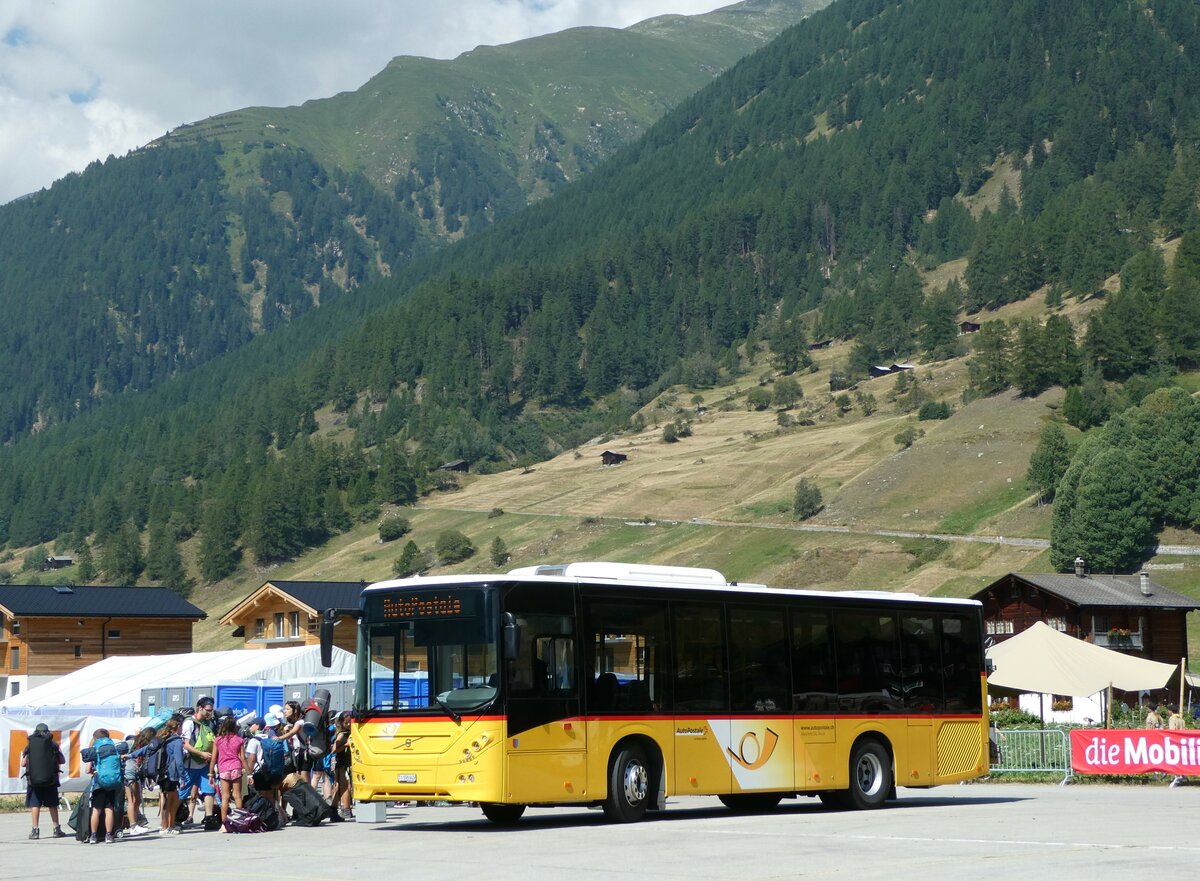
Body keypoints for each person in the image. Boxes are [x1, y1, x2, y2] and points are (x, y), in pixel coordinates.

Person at [21, 722, 66, 840]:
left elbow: (23, 763)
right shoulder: (53, 744)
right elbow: (62, 760)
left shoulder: (30, 745)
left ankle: (35, 831)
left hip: (34, 781)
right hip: (50, 781)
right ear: (47, 732)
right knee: (52, 805)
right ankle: (56, 829)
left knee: (35, 805)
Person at [208, 714, 251, 831]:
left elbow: (213, 758)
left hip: (223, 769)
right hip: (236, 767)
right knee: (237, 796)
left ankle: (224, 824)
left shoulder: (218, 740)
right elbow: (243, 758)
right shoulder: (239, 740)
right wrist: (249, 773)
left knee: (225, 797)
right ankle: (239, 821)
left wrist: (211, 773)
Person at [84, 728, 125, 844]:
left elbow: (87, 770)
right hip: (112, 782)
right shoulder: (114, 748)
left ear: (96, 738)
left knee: (96, 810)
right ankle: (109, 835)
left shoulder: (95, 750)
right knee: (109, 809)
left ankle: (93, 836)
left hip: (99, 783)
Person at [181, 696, 217, 825]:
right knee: (183, 793)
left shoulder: (208, 724)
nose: (209, 713)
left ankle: (209, 818)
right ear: (200, 708)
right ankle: (172, 818)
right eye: (207, 710)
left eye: (211, 710)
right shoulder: (189, 723)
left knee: (209, 790)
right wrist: (201, 753)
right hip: (190, 764)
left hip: (204, 764)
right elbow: (185, 744)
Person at [122, 729, 154, 836]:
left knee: (137, 799)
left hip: (136, 773)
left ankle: (135, 823)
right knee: (131, 800)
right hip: (128, 774)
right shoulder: (130, 743)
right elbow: (120, 754)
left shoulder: (142, 746)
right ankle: (133, 826)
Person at [330, 711, 353, 819]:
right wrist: (346, 745)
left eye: (350, 722)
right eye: (346, 723)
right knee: (343, 787)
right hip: (341, 763)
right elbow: (334, 750)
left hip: (346, 763)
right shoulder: (341, 735)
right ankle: (341, 809)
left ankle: (335, 810)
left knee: (342, 787)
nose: (349, 725)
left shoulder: (349, 733)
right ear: (341, 723)